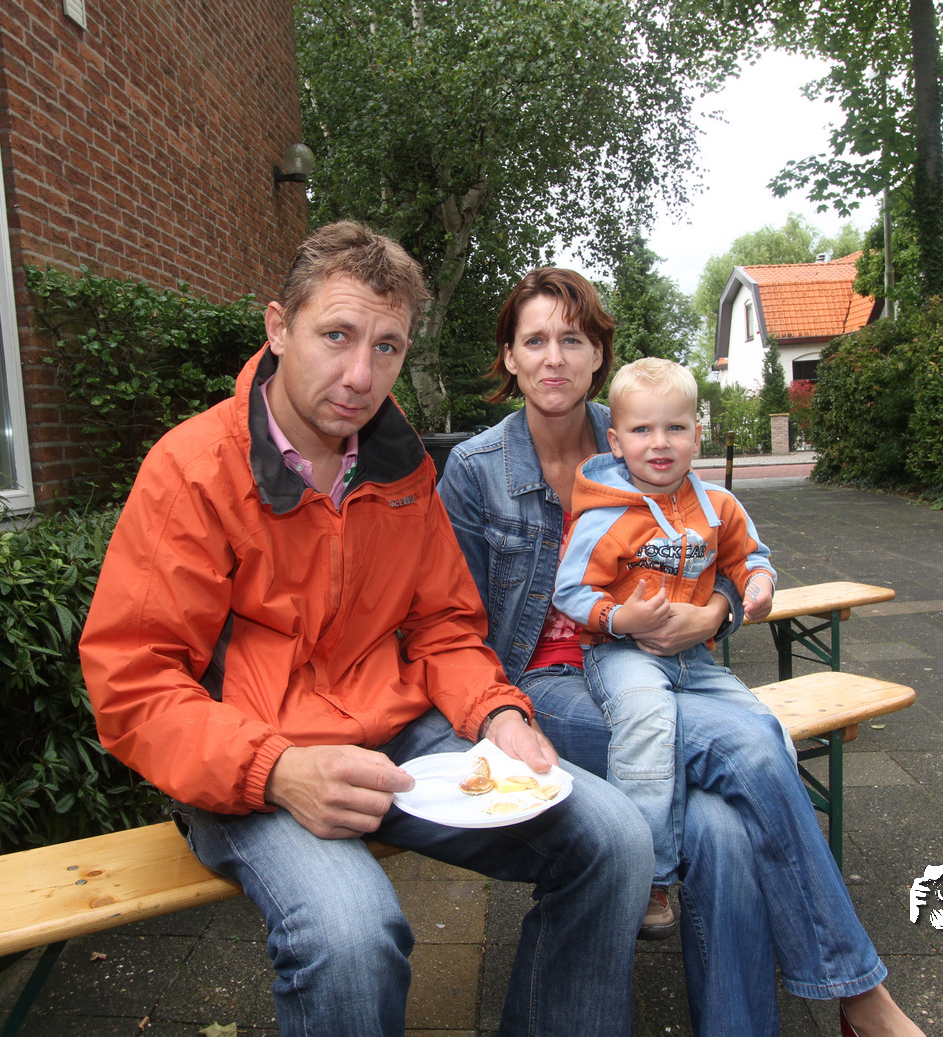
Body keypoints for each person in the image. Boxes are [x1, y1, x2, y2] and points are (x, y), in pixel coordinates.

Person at [78, 226, 651, 1037]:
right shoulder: (191, 470)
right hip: (250, 760)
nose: (359, 376)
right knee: (352, 935)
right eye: (336, 336)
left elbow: (444, 623)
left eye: (386, 347)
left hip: (397, 736)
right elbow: (133, 685)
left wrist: (497, 714)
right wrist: (276, 769)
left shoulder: (402, 467)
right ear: (279, 328)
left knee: (617, 840)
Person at [437, 267, 926, 1037]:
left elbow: (720, 545)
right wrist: (495, 716)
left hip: (666, 665)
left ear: (598, 355)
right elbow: (450, 626)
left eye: (572, 339)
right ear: (508, 356)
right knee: (750, 742)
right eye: (533, 341)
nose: (553, 357)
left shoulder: (645, 422)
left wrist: (718, 613)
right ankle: (859, 995)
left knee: (721, 831)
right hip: (545, 684)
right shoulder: (474, 471)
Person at [553, 356, 794, 939]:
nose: (659, 443)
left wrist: (759, 586)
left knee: (770, 732)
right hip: (621, 653)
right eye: (642, 429)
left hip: (694, 658)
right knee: (647, 724)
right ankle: (650, 873)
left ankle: (770, 857)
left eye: (675, 428)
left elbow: (748, 558)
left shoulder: (719, 506)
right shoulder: (604, 515)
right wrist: (619, 617)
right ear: (617, 441)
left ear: (696, 434)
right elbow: (570, 590)